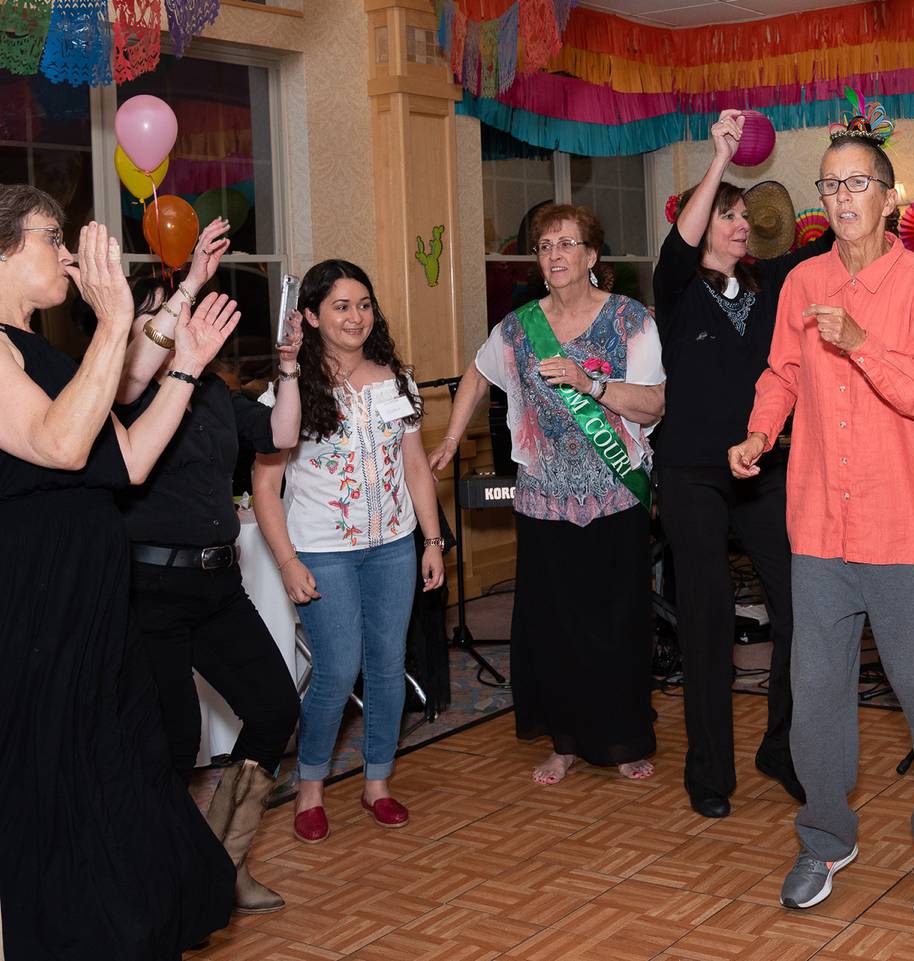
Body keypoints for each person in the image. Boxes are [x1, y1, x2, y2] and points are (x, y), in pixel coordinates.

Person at [728, 106, 914, 917]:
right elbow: (781, 373)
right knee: (815, 696)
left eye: (857, 182)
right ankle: (825, 838)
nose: (843, 196)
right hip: (821, 529)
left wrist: (861, 341)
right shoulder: (801, 282)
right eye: (830, 183)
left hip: (909, 528)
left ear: (889, 195)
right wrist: (761, 431)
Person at [0, 185, 238, 958]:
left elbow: (128, 459)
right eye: (49, 236)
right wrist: (112, 322)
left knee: (124, 766)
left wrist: (186, 371)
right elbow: (61, 445)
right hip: (34, 599)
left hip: (95, 601)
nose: (67, 252)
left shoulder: (44, 352)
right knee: (53, 778)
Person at [431, 203, 664, 786]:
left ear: (591, 257)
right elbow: (478, 375)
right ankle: (563, 741)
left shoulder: (631, 319)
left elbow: (655, 404)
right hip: (543, 502)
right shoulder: (517, 327)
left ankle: (624, 737)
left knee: (616, 623)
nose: (554, 255)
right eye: (544, 246)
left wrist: (591, 383)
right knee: (553, 625)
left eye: (567, 244)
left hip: (614, 499)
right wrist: (452, 438)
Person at [652, 110, 832, 819]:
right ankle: (709, 772)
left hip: (764, 468)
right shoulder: (677, 288)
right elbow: (680, 243)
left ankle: (781, 747)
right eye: (729, 215)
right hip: (691, 472)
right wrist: (720, 161)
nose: (741, 224)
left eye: (744, 217)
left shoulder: (771, 287)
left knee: (799, 607)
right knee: (707, 619)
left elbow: (831, 245)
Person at [114, 242, 303, 913]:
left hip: (219, 586)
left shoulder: (214, 392)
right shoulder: (124, 392)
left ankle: (222, 861)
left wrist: (287, 366)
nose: (177, 321)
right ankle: (163, 881)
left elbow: (280, 432)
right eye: (160, 314)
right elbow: (136, 377)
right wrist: (187, 288)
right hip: (150, 593)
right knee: (172, 743)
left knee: (278, 708)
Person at [251, 260, 445, 843]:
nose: (356, 316)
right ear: (309, 316)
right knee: (336, 671)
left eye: (363, 304)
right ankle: (310, 790)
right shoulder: (286, 390)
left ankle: (377, 783)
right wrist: (288, 561)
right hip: (322, 551)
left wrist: (431, 540)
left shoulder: (397, 381)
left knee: (388, 667)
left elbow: (415, 467)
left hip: (393, 547)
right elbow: (265, 487)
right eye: (340, 306)